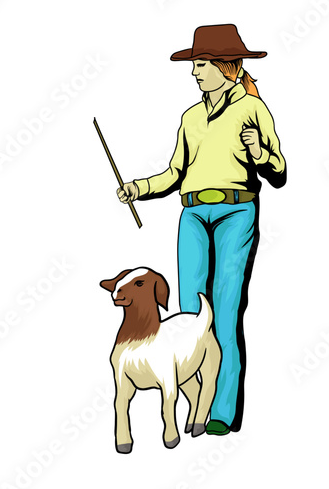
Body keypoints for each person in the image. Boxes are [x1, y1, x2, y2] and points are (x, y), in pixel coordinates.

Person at [117, 24, 286, 435]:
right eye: (195, 64)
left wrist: (258, 151)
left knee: (224, 312)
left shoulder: (253, 109)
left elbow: (279, 170)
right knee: (192, 315)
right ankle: (196, 403)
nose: (194, 72)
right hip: (191, 215)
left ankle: (222, 411)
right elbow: (176, 172)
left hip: (236, 211)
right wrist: (138, 188)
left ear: (228, 67)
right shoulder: (191, 117)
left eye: (201, 64)